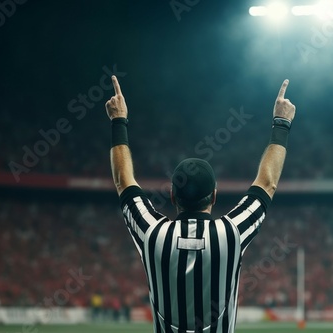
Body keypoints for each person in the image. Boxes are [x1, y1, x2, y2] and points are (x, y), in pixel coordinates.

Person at [105, 75, 296, 332]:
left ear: (172, 196)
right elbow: (267, 183)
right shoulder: (231, 233)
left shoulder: (153, 233)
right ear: (214, 196)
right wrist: (281, 123)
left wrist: (118, 120)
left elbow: (123, 181)